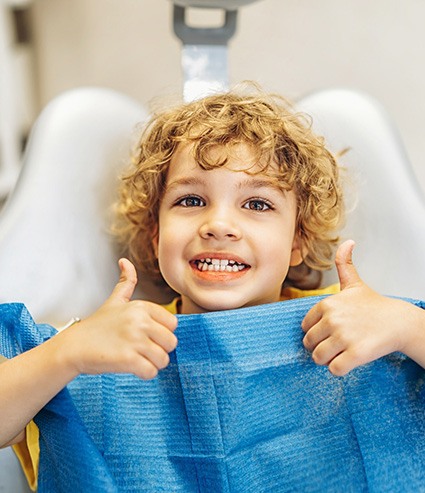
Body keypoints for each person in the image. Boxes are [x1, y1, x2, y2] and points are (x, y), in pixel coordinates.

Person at [1, 86, 425, 490]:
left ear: (297, 241)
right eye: (190, 200)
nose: (219, 225)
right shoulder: (95, 345)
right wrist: (66, 353)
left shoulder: (360, 324)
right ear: (155, 235)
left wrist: (408, 327)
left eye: (257, 204)